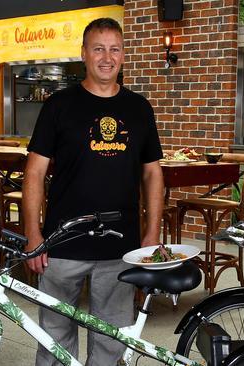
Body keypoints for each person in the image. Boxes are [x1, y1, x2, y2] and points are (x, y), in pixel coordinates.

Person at [23, 17, 164, 365]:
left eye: (114, 49)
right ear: (83, 53)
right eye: (98, 48)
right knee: (54, 339)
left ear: (123, 55)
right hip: (63, 243)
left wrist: (151, 232)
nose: (107, 57)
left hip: (120, 245)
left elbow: (153, 174)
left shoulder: (139, 108)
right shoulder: (58, 105)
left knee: (111, 341)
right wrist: (32, 233)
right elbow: (35, 173)